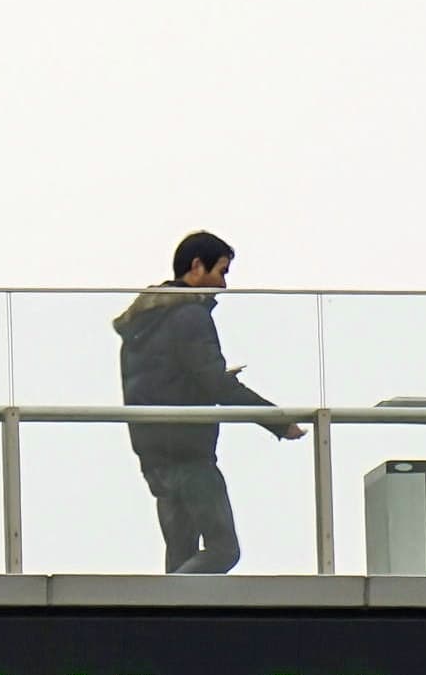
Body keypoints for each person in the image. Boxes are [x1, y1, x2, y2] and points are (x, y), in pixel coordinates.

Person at [115, 231, 302, 574]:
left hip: (154, 456)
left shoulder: (143, 324)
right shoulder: (190, 316)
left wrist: (205, 384)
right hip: (189, 454)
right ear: (197, 266)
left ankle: (169, 623)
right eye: (222, 271)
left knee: (181, 557)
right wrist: (279, 421)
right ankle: (165, 611)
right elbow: (215, 385)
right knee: (223, 549)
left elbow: (163, 383)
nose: (224, 284)